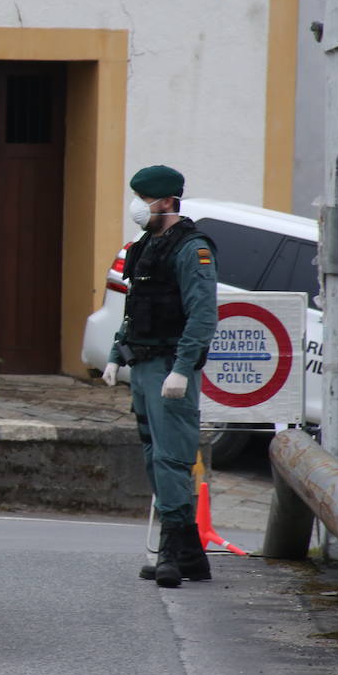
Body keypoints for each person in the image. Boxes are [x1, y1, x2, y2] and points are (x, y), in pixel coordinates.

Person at [101, 165, 218, 588]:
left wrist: (184, 369)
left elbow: (203, 315)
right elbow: (134, 308)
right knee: (154, 456)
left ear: (166, 200)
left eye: (142, 197)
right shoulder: (145, 245)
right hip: (145, 366)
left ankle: (170, 551)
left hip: (171, 367)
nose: (136, 205)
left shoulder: (192, 249)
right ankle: (191, 556)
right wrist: (116, 354)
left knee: (171, 457)